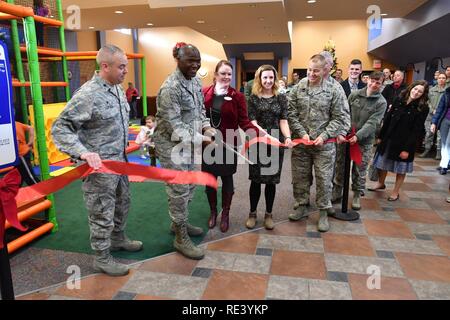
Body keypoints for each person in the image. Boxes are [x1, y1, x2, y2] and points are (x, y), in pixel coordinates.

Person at [52, 44, 142, 277]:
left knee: (123, 203)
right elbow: (60, 128)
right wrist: (82, 152)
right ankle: (102, 257)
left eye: (125, 67)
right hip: (98, 168)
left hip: (119, 162)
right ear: (105, 66)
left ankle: (118, 238)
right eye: (121, 67)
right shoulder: (88, 93)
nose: (125, 72)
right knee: (102, 211)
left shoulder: (116, 88)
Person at [153, 42, 215, 260]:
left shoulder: (196, 81)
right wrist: (202, 140)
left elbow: (200, 111)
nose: (196, 65)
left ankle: (179, 223)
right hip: (171, 145)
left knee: (189, 185)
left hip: (189, 143)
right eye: (190, 60)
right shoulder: (170, 87)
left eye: (198, 61)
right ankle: (180, 238)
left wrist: (207, 127)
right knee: (179, 189)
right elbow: (175, 126)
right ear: (177, 59)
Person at [202, 60, 265, 233]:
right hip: (208, 144)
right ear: (215, 75)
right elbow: (198, 117)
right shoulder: (204, 93)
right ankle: (213, 212)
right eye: (223, 73)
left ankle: (226, 214)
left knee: (227, 178)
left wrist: (258, 134)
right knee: (210, 180)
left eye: (229, 74)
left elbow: (243, 121)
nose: (226, 77)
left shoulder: (237, 96)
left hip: (229, 143)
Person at [288, 54, 349, 232]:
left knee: (324, 179)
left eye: (315, 71)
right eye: (309, 70)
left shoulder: (334, 89)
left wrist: (324, 135)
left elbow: (339, 118)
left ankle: (323, 211)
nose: (311, 74)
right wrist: (301, 133)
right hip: (302, 145)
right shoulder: (299, 87)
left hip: (324, 146)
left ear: (324, 70)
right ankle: (301, 205)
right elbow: (291, 113)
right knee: (300, 177)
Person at [246, 65, 292, 230]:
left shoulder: (281, 98)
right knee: (256, 180)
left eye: (271, 77)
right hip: (257, 142)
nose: (268, 80)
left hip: (275, 145)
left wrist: (287, 137)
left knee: (271, 181)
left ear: (275, 79)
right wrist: (264, 134)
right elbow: (252, 121)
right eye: (265, 77)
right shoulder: (253, 98)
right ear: (259, 78)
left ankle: (269, 214)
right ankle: (252, 213)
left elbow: (284, 121)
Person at [332, 72, 386, 210]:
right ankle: (337, 191)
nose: (374, 84)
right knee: (340, 166)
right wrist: (343, 132)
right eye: (372, 81)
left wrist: (358, 136)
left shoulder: (381, 102)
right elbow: (344, 113)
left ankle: (356, 194)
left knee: (359, 169)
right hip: (346, 138)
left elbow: (373, 123)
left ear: (381, 84)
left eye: (378, 83)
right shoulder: (354, 95)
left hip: (364, 141)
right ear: (367, 80)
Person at [369, 80, 430, 201]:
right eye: (415, 89)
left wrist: (407, 149)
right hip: (389, 138)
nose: (416, 92)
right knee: (382, 163)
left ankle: (395, 192)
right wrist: (380, 136)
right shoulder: (399, 99)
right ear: (410, 88)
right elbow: (387, 119)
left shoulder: (422, 108)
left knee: (400, 169)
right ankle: (381, 183)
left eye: (420, 91)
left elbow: (416, 131)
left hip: (405, 142)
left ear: (423, 94)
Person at [420, 72, 447, 159]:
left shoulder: (447, 91)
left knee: (440, 135)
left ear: (446, 80)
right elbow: (428, 101)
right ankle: (427, 150)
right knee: (428, 133)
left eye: (443, 78)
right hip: (430, 115)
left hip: (442, 116)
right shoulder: (431, 89)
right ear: (437, 79)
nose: (441, 79)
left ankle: (438, 152)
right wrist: (432, 109)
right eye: (439, 78)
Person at [431, 84, 450, 174]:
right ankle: (444, 163)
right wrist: (434, 122)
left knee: (448, 143)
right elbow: (440, 109)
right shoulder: (446, 93)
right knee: (443, 142)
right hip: (445, 120)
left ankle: (444, 165)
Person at [14, 121, 40, 186]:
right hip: (20, 154)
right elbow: (31, 128)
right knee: (18, 177)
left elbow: (16, 142)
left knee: (30, 177)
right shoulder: (17, 123)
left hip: (21, 155)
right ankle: (15, 193)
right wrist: (31, 141)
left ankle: (42, 191)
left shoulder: (11, 126)